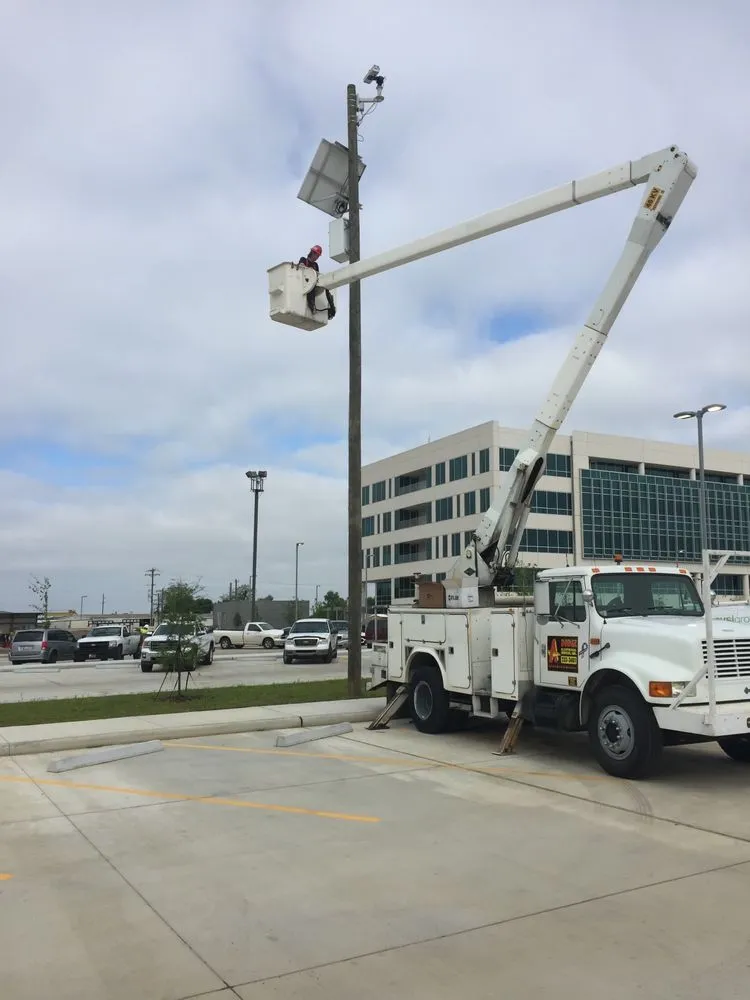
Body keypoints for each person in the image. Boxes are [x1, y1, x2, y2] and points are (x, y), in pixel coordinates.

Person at [297, 245, 335, 319]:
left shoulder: (315, 265)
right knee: (312, 284)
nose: (316, 257)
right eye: (316, 255)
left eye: (318, 256)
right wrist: (308, 269)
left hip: (312, 284)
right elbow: (300, 268)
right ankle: (312, 305)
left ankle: (331, 308)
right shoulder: (304, 260)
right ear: (312, 253)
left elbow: (317, 276)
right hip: (304, 283)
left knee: (325, 287)